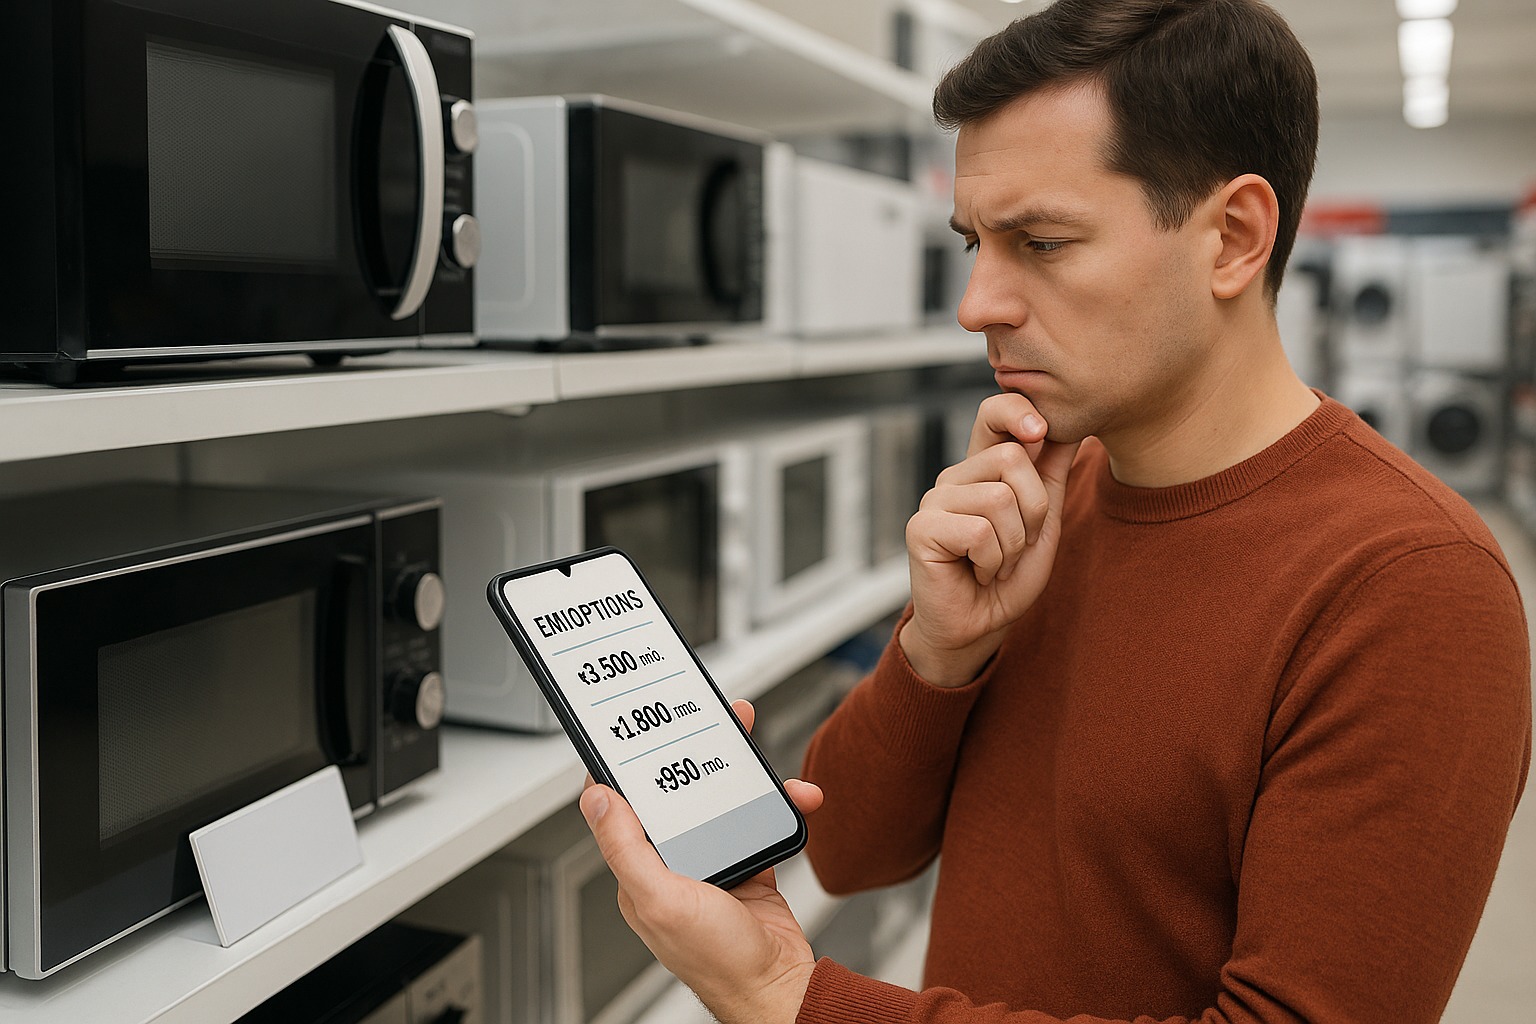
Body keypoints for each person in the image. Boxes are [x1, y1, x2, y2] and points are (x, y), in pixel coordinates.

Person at [578, 1, 1534, 1021]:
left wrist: (787, 997)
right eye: (974, 244)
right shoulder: (1041, 503)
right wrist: (937, 657)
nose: (977, 303)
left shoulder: (1411, 586)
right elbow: (850, 851)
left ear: (1233, 237)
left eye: (1040, 241)